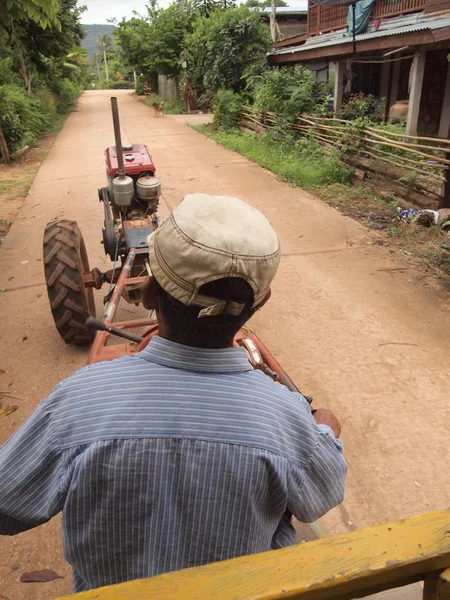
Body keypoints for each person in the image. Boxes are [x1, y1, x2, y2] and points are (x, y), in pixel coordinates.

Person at [0, 194, 346, 593]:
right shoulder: (287, 419)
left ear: (146, 294)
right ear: (261, 302)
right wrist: (324, 431)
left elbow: (7, 507)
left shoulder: (77, 402)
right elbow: (323, 493)